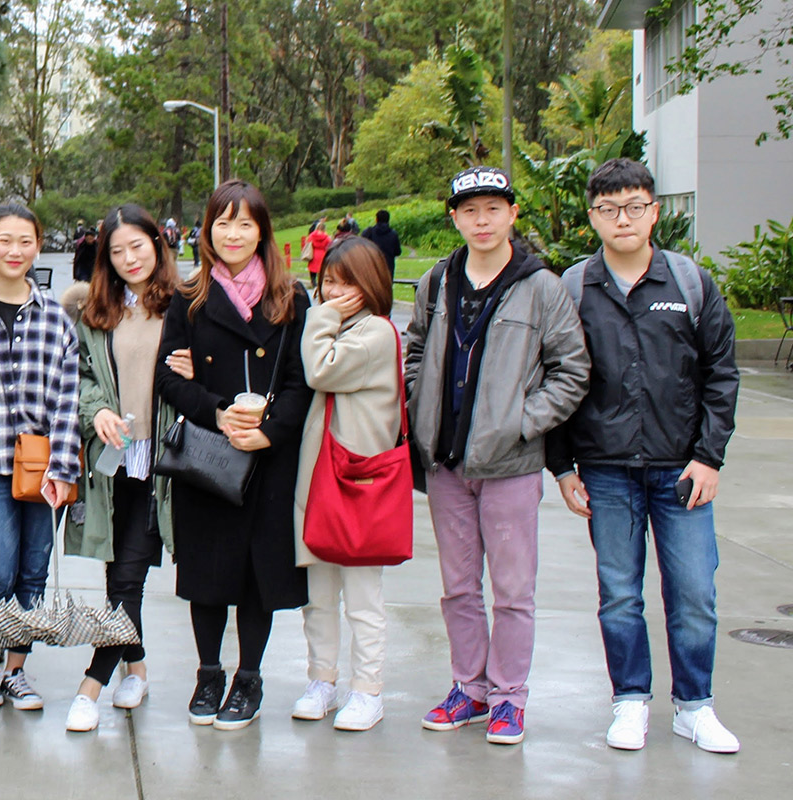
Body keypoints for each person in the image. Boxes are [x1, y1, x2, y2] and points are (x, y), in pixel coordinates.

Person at [550, 158, 741, 754]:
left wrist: (709, 457)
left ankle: (695, 706)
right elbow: (552, 377)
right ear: (593, 218)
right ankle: (629, 701)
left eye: (634, 207)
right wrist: (562, 465)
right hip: (606, 473)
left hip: (682, 470)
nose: (623, 219)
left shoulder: (690, 284)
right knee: (620, 595)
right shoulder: (574, 287)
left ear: (655, 211)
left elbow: (721, 375)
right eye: (609, 210)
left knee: (692, 594)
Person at [406, 165, 589, 745]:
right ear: (454, 218)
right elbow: (414, 353)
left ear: (513, 213)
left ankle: (510, 697)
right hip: (448, 466)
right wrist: (420, 409)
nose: (481, 221)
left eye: (493, 209)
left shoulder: (542, 287)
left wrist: (519, 425)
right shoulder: (437, 282)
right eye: (469, 210)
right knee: (458, 587)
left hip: (509, 466)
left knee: (513, 591)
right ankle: (470, 688)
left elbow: (571, 370)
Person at [155, 180, 313, 731]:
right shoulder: (190, 298)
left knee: (256, 576)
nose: (234, 233)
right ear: (208, 230)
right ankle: (208, 673)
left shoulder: (292, 299)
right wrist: (219, 413)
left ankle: (249, 678)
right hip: (209, 457)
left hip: (268, 459)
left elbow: (301, 381)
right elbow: (167, 380)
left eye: (246, 223)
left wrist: (268, 431)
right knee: (207, 572)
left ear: (262, 231)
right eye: (223, 222)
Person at [59, 204, 180, 733]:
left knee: (128, 570)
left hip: (165, 462)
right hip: (115, 461)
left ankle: (91, 683)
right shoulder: (95, 312)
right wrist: (97, 410)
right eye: (117, 251)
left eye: (139, 246)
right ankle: (137, 665)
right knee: (119, 572)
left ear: (157, 243)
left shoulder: (186, 306)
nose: (131, 259)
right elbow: (81, 378)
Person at [0, 204, 80, 712]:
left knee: (33, 572)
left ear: (38, 246)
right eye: (4, 240)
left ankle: (17, 670)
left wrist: (64, 468)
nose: (14, 251)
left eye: (25, 241)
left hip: (43, 462)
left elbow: (69, 395)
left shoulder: (55, 316)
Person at [289, 237, 403, 733]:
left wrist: (321, 317)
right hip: (322, 481)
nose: (332, 290)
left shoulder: (374, 332)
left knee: (361, 599)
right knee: (319, 594)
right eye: (327, 281)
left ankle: (368, 690)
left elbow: (320, 370)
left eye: (344, 281)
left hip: (356, 481)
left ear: (369, 285)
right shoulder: (345, 325)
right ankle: (322, 680)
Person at [362, 209, 403, 284]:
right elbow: (398, 252)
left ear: (376, 219)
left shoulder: (369, 232)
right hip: (388, 266)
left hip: (372, 265)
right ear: (388, 220)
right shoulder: (393, 234)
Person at [302, 218, 331, 285]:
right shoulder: (326, 237)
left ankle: (313, 281)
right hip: (322, 254)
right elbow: (329, 245)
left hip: (314, 253)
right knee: (321, 269)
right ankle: (321, 282)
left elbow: (308, 242)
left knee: (312, 269)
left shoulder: (312, 236)